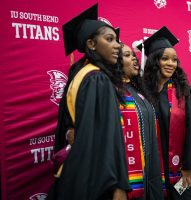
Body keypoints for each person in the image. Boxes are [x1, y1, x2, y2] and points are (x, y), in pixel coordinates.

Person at [47, 4, 130, 199]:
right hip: (97, 180)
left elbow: (73, 128)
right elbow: (107, 138)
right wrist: (119, 185)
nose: (117, 45)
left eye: (117, 40)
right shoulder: (97, 78)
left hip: (77, 174)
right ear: (91, 44)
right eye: (109, 39)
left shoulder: (81, 74)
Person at [139, 26, 191, 199]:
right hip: (153, 170)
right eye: (165, 59)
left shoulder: (185, 94)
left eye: (174, 60)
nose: (171, 64)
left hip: (182, 169)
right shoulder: (143, 94)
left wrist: (189, 166)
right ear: (154, 61)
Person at [116, 43, 165, 199]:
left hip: (150, 167)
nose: (134, 59)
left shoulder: (139, 90)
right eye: (127, 55)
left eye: (133, 55)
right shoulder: (111, 90)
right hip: (127, 171)